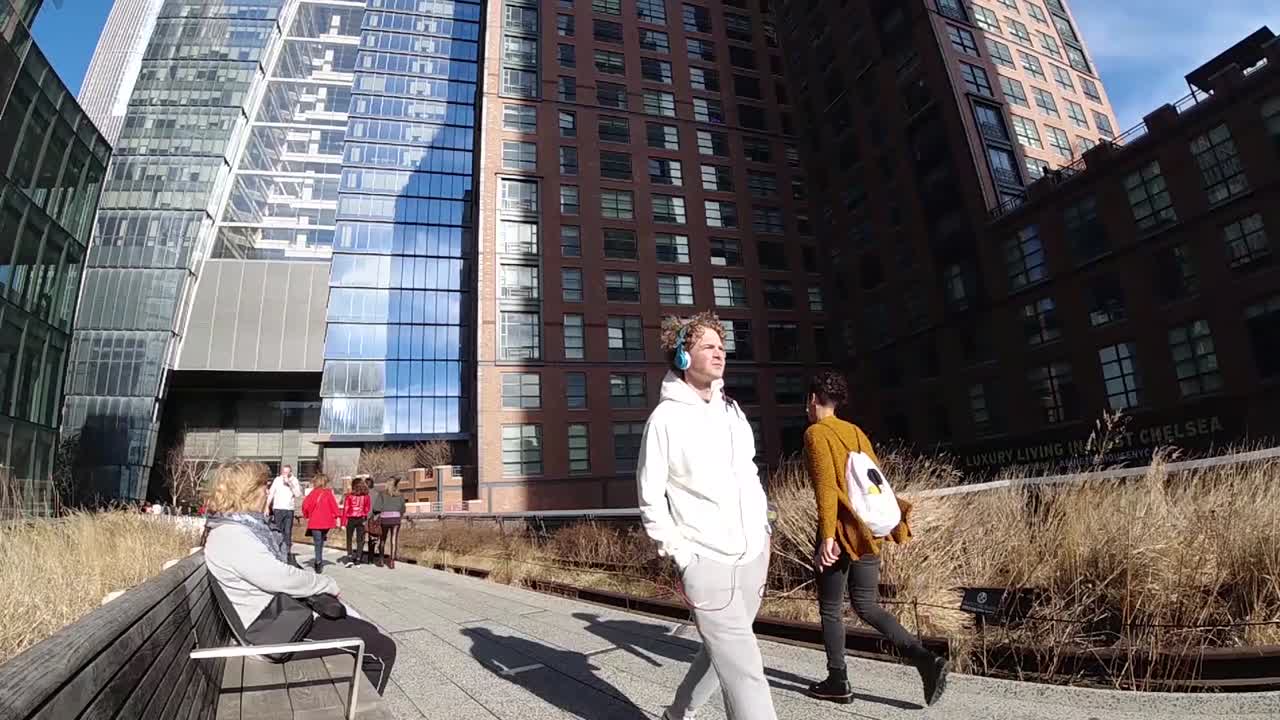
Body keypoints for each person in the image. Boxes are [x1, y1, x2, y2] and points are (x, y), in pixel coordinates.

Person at [637, 312, 775, 720]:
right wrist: (682, 556)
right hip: (705, 562)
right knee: (746, 669)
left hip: (753, 556)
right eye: (708, 346)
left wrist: (763, 529)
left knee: (724, 653)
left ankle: (676, 714)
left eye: (722, 346)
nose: (720, 353)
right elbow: (649, 496)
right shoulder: (664, 420)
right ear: (682, 356)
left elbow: (748, 472)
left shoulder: (732, 411)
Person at [802, 371, 948, 707]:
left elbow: (826, 490)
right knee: (867, 604)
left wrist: (826, 537)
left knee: (830, 609)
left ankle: (838, 681)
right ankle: (925, 660)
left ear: (812, 399)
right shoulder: (856, 433)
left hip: (839, 534)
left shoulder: (816, 434)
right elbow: (875, 484)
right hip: (868, 533)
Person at [202, 461, 397, 693]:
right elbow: (279, 577)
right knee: (382, 649)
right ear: (247, 492)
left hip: (281, 615)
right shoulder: (231, 535)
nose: (267, 492)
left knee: (368, 632)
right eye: (264, 486)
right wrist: (326, 583)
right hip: (272, 633)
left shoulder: (235, 528)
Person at [301, 473, 341, 573]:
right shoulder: (328, 493)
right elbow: (334, 506)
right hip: (326, 522)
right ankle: (319, 559)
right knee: (321, 541)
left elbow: (305, 506)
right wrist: (337, 517)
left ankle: (318, 561)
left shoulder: (312, 493)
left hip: (315, 522)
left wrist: (306, 516)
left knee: (317, 542)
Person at [265, 465, 303, 555]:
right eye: (283, 472)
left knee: (287, 531)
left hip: (289, 509)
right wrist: (267, 506)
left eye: (287, 472)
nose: (285, 474)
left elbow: (298, 494)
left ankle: (287, 550)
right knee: (278, 529)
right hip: (278, 508)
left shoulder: (294, 480)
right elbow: (271, 493)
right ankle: (277, 548)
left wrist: (290, 483)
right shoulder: (277, 480)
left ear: (290, 472)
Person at [342, 477, 372, 568]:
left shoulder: (349, 496)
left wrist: (343, 523)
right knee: (360, 540)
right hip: (361, 518)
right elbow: (367, 509)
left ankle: (350, 558)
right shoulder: (366, 496)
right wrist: (364, 517)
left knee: (349, 539)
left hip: (351, 518)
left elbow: (345, 510)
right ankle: (358, 559)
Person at [377, 478, 406, 569]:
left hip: (384, 519)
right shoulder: (400, 495)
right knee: (394, 540)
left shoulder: (382, 494)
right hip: (396, 519)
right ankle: (392, 562)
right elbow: (403, 509)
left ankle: (381, 560)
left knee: (382, 539)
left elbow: (376, 508)